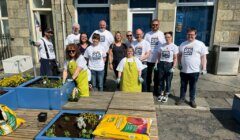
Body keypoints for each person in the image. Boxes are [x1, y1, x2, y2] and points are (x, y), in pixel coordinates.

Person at [176, 27, 208, 108]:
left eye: (192, 34)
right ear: (186, 35)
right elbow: (179, 55)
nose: (190, 36)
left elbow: (203, 57)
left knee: (192, 86)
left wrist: (204, 68)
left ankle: (192, 100)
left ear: (195, 35)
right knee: (183, 86)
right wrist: (179, 64)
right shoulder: (183, 44)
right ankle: (182, 98)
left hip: (194, 71)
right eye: (188, 34)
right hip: (183, 70)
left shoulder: (200, 44)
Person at [89, 20, 114, 86]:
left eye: (103, 25)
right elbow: (91, 41)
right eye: (101, 25)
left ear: (106, 26)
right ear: (99, 25)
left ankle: (103, 83)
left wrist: (110, 49)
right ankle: (96, 83)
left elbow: (112, 43)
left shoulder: (108, 33)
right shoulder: (95, 32)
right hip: (95, 53)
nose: (102, 26)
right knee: (94, 68)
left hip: (105, 54)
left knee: (104, 69)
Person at [144, 19, 166, 93]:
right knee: (148, 76)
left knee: (157, 76)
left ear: (159, 25)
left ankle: (156, 90)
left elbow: (164, 46)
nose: (155, 26)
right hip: (149, 59)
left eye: (156, 25)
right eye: (153, 24)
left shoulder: (161, 34)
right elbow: (145, 46)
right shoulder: (147, 34)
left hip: (158, 59)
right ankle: (147, 89)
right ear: (151, 25)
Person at [156, 31, 178, 102]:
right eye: (166, 37)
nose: (167, 38)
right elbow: (158, 56)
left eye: (168, 37)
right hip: (161, 64)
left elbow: (175, 58)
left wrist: (173, 67)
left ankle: (166, 94)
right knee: (161, 80)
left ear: (171, 38)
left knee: (168, 81)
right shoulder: (162, 46)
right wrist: (157, 64)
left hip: (169, 65)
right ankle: (161, 93)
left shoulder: (174, 46)